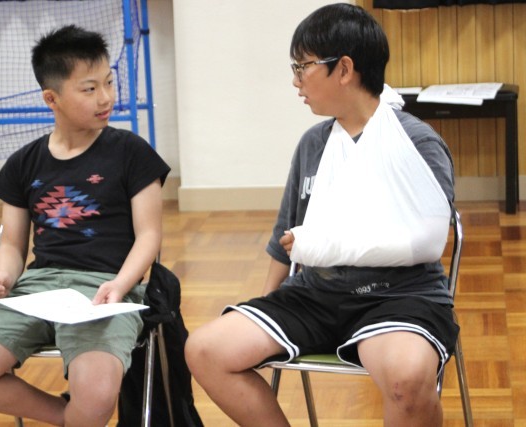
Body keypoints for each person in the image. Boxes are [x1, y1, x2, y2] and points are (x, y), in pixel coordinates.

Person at [185, 4, 459, 426]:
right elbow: (285, 236)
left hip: (399, 297)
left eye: (303, 67)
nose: (296, 81)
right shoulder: (313, 144)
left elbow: (427, 242)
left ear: (344, 69)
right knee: (204, 350)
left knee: (406, 378)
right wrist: (265, 304)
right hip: (315, 295)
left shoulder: (417, 143)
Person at [0, 25, 170, 426]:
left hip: (106, 290)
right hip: (37, 288)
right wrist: (2, 278)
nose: (106, 97)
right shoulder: (24, 163)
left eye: (109, 82)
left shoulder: (132, 152)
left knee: (96, 393)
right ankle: (66, 419)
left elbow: (149, 235)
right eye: (89, 89)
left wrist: (120, 285)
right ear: (52, 98)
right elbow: (12, 245)